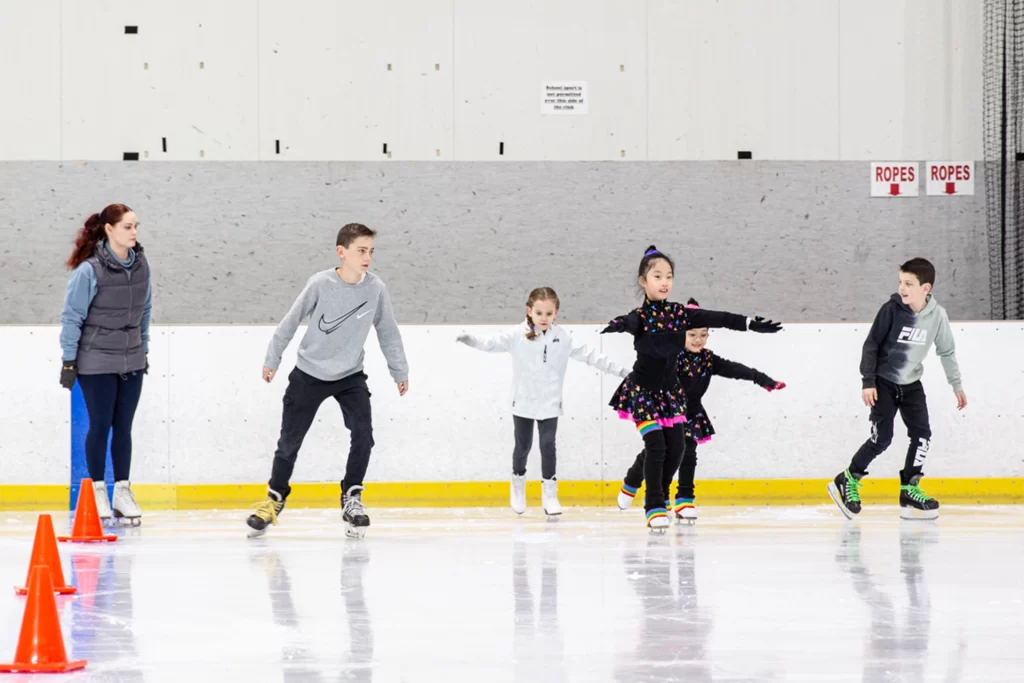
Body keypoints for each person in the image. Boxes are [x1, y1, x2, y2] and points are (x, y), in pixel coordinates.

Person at [602, 246, 782, 531]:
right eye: (657, 276)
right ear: (643, 281)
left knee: (677, 448)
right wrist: (620, 324)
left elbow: (719, 317)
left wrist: (749, 324)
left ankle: (659, 497)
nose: (664, 282)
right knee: (656, 446)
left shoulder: (680, 314)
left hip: (671, 395)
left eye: (669, 277)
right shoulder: (641, 316)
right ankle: (653, 505)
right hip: (644, 393)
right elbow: (632, 321)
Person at [246, 223, 409, 538]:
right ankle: (274, 500)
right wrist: (272, 358)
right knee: (289, 444)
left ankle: (352, 497)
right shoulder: (320, 284)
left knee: (364, 434)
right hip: (309, 374)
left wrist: (399, 370)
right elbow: (291, 321)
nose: (368, 258)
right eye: (361, 250)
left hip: (350, 376)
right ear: (342, 252)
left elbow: (388, 330)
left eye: (371, 251)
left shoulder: (376, 289)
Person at [457, 287, 629, 515]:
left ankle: (550, 493)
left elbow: (592, 356)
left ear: (556, 313)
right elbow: (491, 343)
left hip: (549, 404)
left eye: (549, 313)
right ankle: (518, 484)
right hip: (523, 403)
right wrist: (472, 341)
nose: (544, 318)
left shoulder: (563, 338)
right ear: (529, 311)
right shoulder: (516, 335)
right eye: (539, 313)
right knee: (523, 447)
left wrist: (623, 372)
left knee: (548, 446)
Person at [827, 257, 966, 521]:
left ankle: (909, 490)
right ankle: (847, 479)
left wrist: (956, 385)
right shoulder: (891, 310)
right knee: (882, 438)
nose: (902, 288)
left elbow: (946, 352)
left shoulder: (937, 316)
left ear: (925, 288)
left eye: (909, 284)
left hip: (911, 385)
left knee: (922, 435)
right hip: (883, 383)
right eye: (900, 282)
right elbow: (871, 346)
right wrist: (868, 381)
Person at [59, 204, 151, 526]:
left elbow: (146, 310)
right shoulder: (90, 270)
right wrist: (69, 361)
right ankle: (98, 489)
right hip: (95, 359)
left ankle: (122, 492)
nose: (134, 232)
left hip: (132, 358)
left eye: (136, 226)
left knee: (123, 427)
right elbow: (72, 317)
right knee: (101, 425)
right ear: (109, 230)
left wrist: (144, 349)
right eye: (127, 226)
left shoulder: (141, 266)